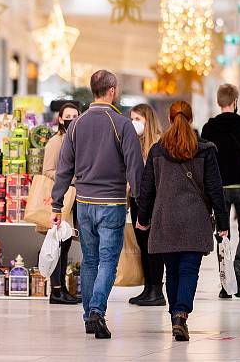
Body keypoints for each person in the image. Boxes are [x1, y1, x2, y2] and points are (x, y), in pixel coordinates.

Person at [51, 70, 144, 340]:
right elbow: (134, 168)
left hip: (84, 204)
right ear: (112, 90)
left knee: (90, 260)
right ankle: (96, 311)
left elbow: (63, 169)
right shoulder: (121, 124)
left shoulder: (76, 125)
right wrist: (139, 202)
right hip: (112, 203)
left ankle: (88, 316)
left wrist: (56, 206)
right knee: (108, 261)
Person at [136, 101, 229, 341]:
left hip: (165, 218)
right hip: (195, 219)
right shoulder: (205, 150)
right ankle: (181, 314)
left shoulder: (158, 150)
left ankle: (175, 316)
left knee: (172, 271)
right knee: (189, 270)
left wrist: (143, 219)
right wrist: (223, 223)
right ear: (191, 117)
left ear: (169, 118)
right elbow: (215, 189)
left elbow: (147, 189)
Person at [201, 83, 240, 298]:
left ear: (219, 102)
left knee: (222, 235)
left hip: (218, 187)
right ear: (236, 101)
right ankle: (238, 266)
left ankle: (226, 285)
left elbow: (205, 160)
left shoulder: (209, 128)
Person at [42, 102, 81, 305]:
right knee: (57, 245)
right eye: (68, 116)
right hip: (61, 199)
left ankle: (61, 288)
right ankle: (56, 290)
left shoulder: (76, 139)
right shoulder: (56, 142)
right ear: (60, 119)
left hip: (70, 199)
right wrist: (71, 177)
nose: (72, 119)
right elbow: (47, 171)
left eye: (76, 115)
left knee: (64, 246)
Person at [127, 103, 166, 307]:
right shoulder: (135, 143)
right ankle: (148, 288)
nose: (134, 123)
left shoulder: (158, 144)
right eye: (131, 119)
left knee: (153, 246)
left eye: (138, 119)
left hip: (153, 202)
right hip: (136, 200)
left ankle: (157, 290)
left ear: (147, 121)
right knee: (142, 245)